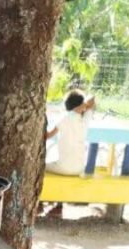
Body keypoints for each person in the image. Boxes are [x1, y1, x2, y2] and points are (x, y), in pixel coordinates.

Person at [43, 89, 96, 220]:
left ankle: (40, 203)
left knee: (41, 167)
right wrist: (85, 105)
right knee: (62, 166)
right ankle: (58, 206)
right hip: (79, 169)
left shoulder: (63, 119)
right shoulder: (86, 119)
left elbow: (48, 136)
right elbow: (93, 99)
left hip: (63, 168)